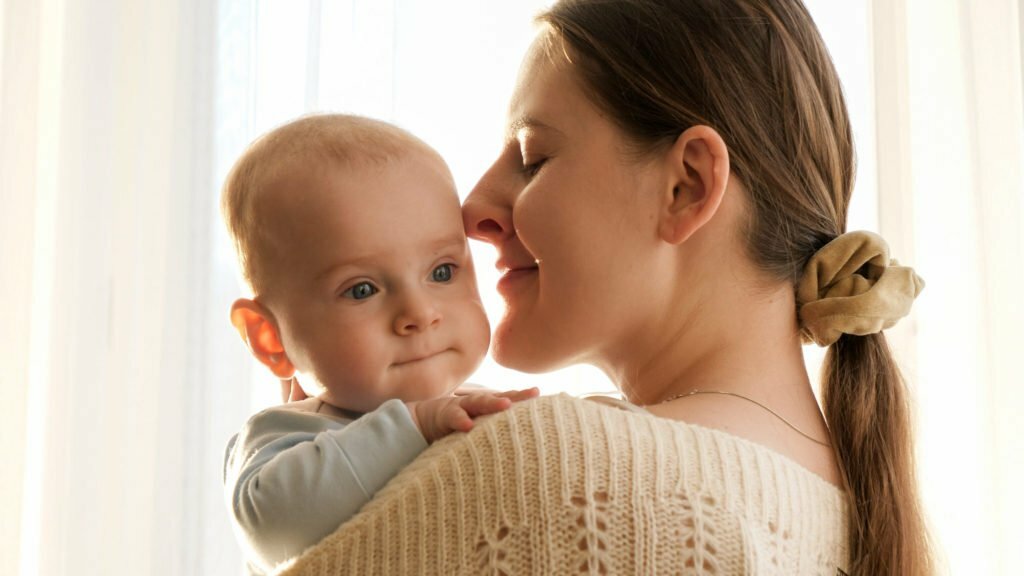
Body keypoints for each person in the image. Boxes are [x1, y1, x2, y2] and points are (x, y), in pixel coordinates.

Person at [278, 1, 933, 574]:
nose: (473, 207)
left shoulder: (558, 468)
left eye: (533, 159)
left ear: (687, 186)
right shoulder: (856, 513)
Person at [219, 114, 538, 574]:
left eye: (442, 272)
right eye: (362, 289)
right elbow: (269, 523)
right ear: (269, 338)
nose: (419, 313)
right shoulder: (288, 433)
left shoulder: (463, 411)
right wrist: (413, 426)